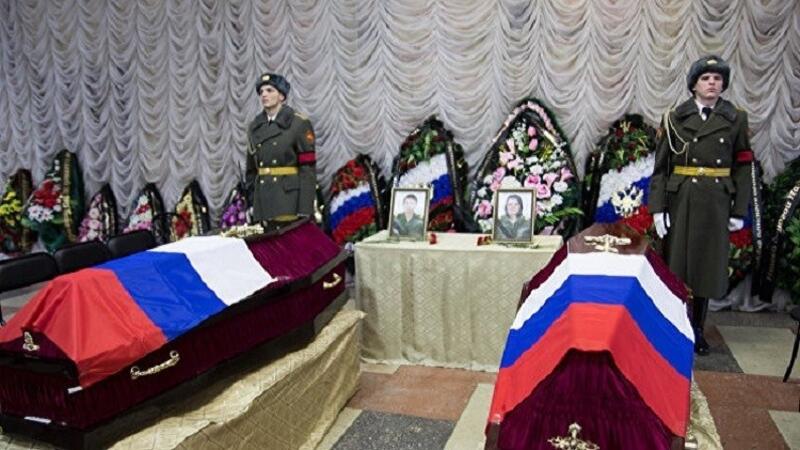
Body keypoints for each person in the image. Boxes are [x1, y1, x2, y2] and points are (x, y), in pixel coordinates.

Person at [649, 55, 753, 355]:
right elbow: (661, 169)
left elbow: (743, 165)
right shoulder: (674, 118)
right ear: (694, 84)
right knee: (677, 265)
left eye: (718, 79)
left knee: (706, 268)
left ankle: (697, 328)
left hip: (715, 202)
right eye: (706, 78)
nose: (712, 83)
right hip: (682, 200)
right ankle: (675, 325)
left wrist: (738, 209)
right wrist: (658, 209)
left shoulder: (735, 119)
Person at [246, 73, 316, 223]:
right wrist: (252, 202)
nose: (264, 95)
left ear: (282, 96)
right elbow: (251, 170)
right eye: (261, 92)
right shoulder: (255, 127)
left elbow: (307, 169)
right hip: (263, 200)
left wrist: (305, 208)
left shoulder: (298, 124)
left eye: (270, 90)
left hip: (289, 199)